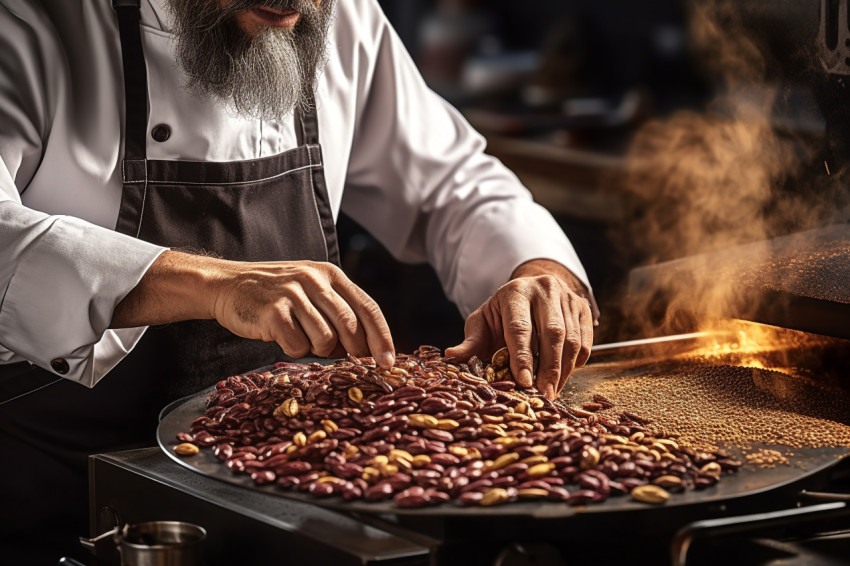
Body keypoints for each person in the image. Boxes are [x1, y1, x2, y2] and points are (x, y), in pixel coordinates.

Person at [0, 0, 596, 561]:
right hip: (66, 492)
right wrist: (214, 283)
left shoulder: (337, 15)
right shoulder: (30, 23)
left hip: (289, 484)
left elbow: (451, 182)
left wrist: (536, 267)